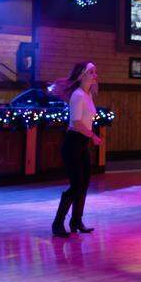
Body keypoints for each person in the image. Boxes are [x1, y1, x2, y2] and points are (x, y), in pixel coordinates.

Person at [49, 61, 101, 237]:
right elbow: (77, 123)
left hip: (82, 144)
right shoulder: (77, 95)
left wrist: (90, 136)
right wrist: (93, 136)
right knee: (76, 185)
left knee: (83, 184)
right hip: (72, 143)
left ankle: (76, 221)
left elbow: (86, 121)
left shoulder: (88, 95)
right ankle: (57, 224)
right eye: (92, 72)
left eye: (95, 72)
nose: (95, 75)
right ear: (82, 75)